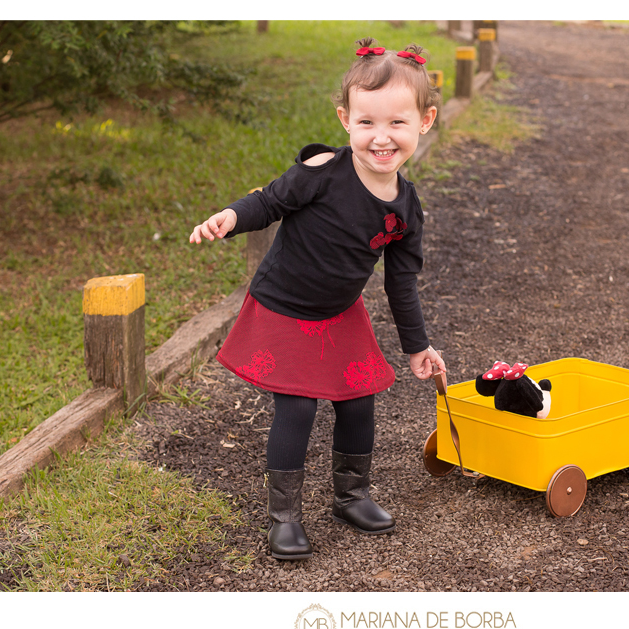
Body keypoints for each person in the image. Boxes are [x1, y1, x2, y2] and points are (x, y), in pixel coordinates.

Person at [189, 38, 446, 560]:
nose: (380, 138)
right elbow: (268, 202)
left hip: (338, 312)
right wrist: (230, 219)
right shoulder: (322, 173)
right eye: (366, 122)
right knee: (300, 404)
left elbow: (401, 282)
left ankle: (351, 495)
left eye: (396, 123)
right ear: (345, 119)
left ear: (425, 121)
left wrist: (417, 347)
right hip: (284, 306)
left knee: (358, 398)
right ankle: (284, 516)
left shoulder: (406, 206)